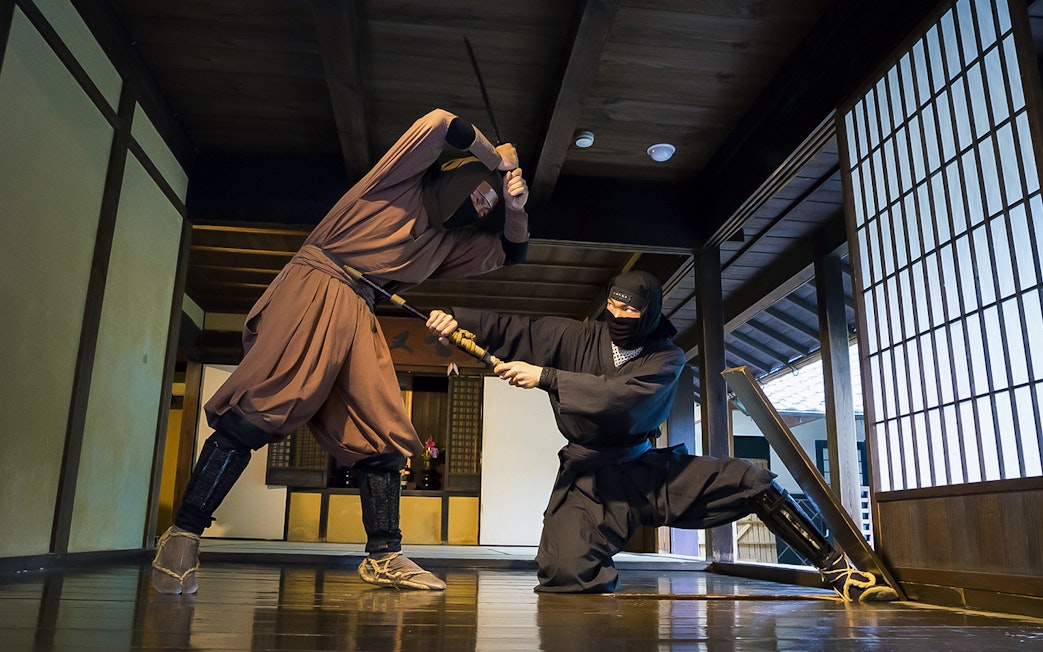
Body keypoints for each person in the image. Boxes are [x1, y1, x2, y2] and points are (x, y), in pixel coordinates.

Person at [152, 108, 530, 594]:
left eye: (486, 203)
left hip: (359, 310)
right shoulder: (395, 183)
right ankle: (183, 533)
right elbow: (440, 123)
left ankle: (384, 556)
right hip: (318, 284)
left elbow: (511, 253)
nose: (479, 204)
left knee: (383, 429)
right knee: (261, 409)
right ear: (455, 174)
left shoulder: (445, 243)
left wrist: (515, 206)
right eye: (478, 189)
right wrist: (492, 157)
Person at [425, 270, 899, 602]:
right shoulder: (574, 337)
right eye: (612, 304)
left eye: (629, 309)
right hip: (590, 479)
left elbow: (624, 399)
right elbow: (513, 328)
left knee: (751, 479)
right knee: (563, 570)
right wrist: (453, 317)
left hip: (647, 472)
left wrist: (548, 378)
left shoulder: (665, 358)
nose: (618, 313)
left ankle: (836, 568)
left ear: (649, 313)